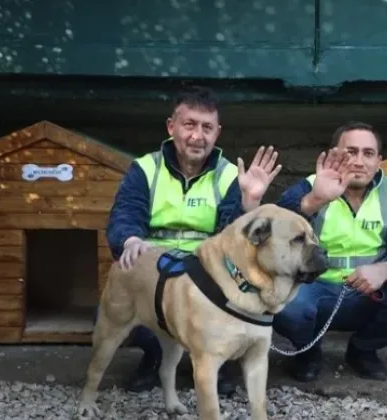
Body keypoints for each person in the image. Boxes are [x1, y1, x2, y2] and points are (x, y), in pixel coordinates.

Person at [103, 86, 282, 394]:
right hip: (156, 266)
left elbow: (233, 235)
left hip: (207, 271)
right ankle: (155, 359)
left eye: (207, 128)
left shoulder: (229, 176)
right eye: (190, 125)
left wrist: (249, 204)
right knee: (118, 308)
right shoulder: (145, 169)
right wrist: (130, 240)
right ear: (171, 126)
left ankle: (220, 361)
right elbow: (125, 213)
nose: (198, 136)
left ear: (217, 133)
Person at [273, 121, 387, 382]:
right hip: (316, 291)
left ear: (379, 160)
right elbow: (276, 232)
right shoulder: (312, 186)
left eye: (368, 154)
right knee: (285, 301)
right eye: (351, 152)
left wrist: (385, 269)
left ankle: (362, 351)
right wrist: (314, 201)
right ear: (335, 154)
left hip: (370, 293)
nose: (359, 161)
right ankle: (308, 353)